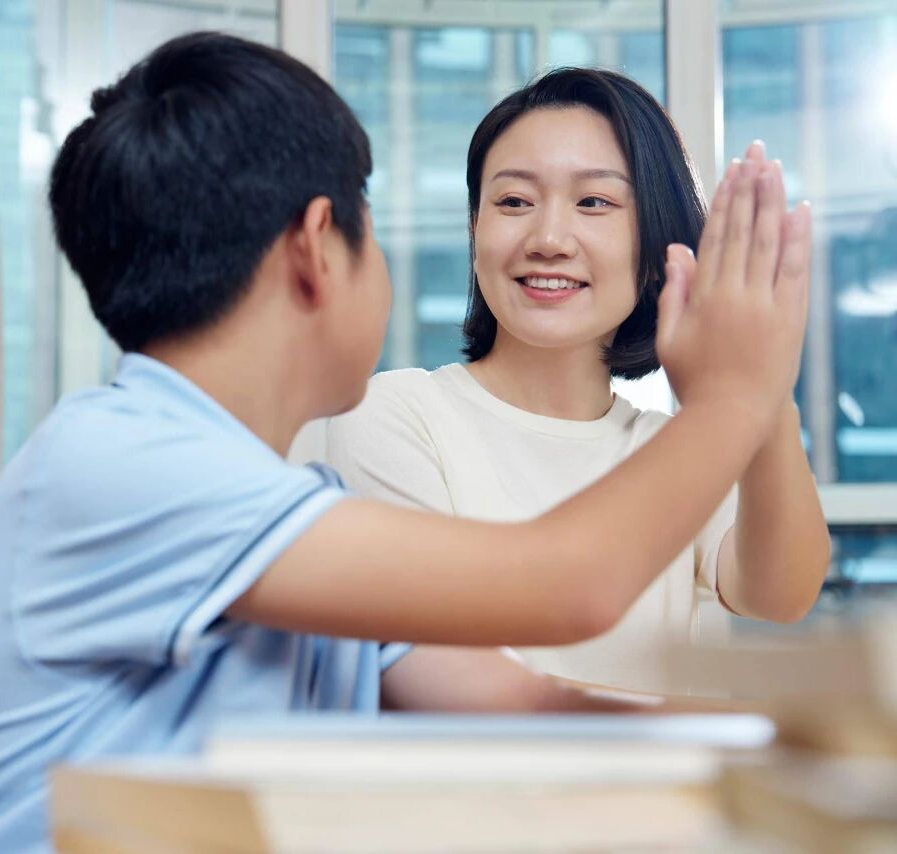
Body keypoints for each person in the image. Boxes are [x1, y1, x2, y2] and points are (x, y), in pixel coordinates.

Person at [0, 34, 811, 852]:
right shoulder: (119, 462)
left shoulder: (297, 517)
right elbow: (574, 585)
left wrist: (820, 754)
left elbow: (530, 707)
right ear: (318, 247)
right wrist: (740, 388)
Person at [322, 68, 829, 700]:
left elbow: (779, 595)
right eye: (514, 202)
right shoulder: (397, 414)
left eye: (594, 203)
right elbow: (449, 684)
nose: (548, 240)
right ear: (475, 228)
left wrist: (764, 387)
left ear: (656, 241)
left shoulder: (672, 446)